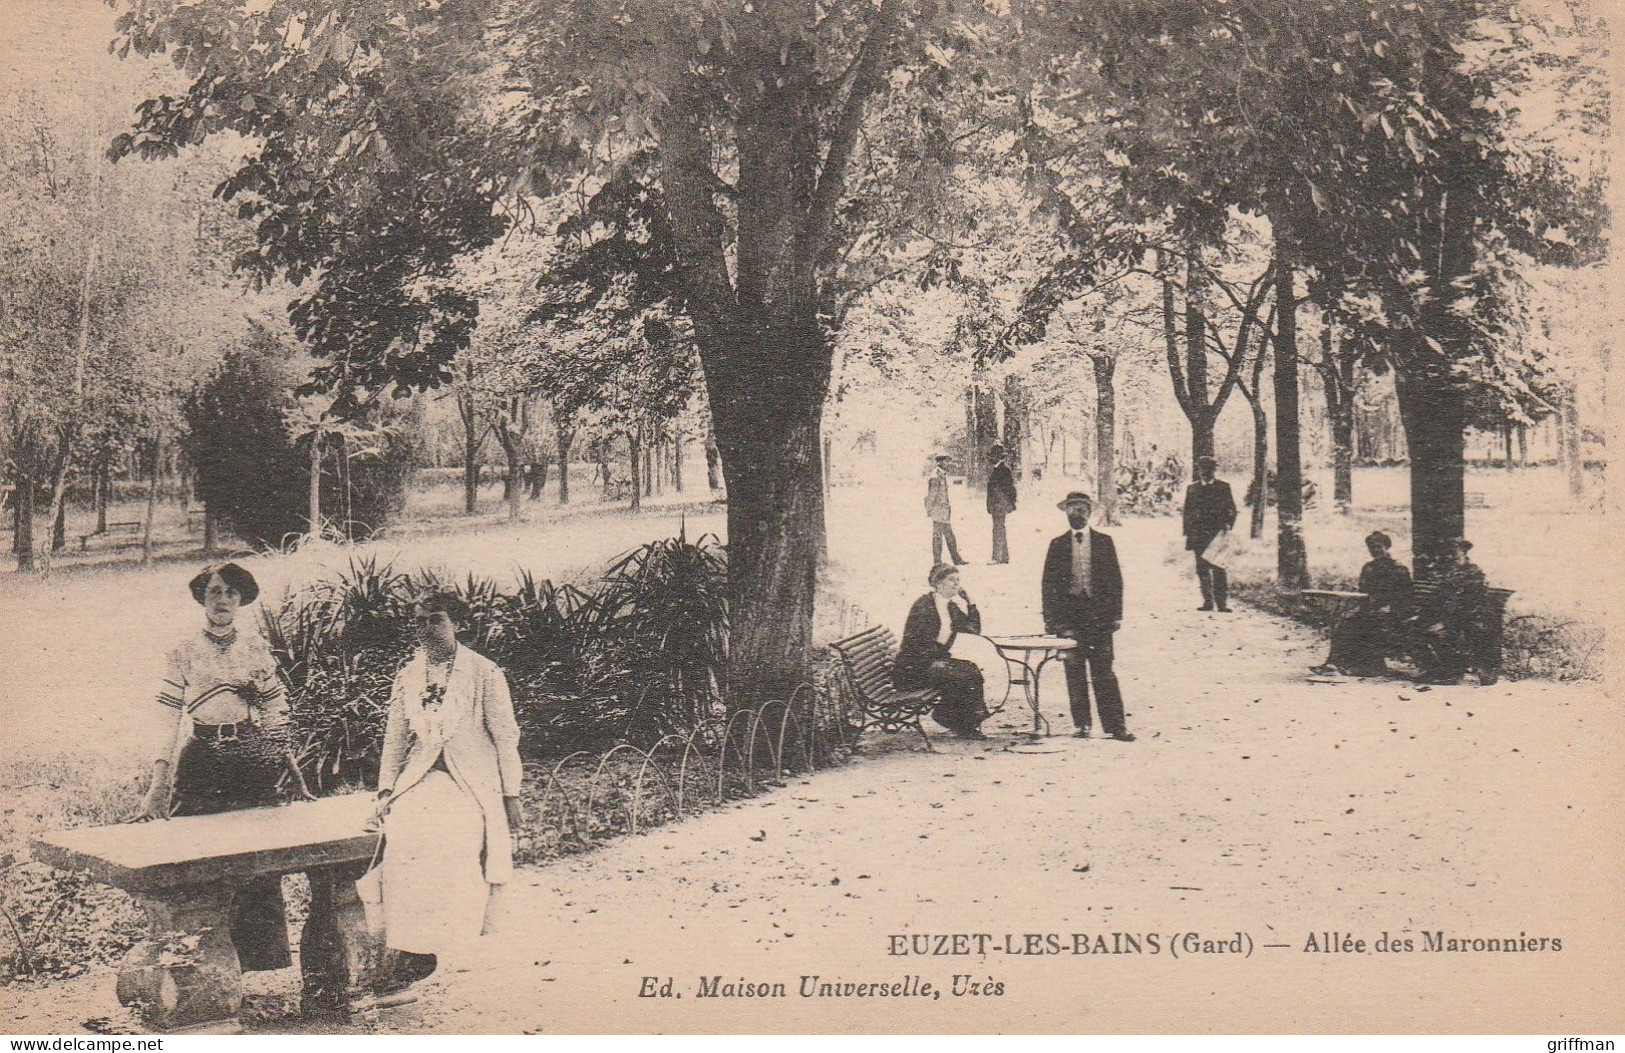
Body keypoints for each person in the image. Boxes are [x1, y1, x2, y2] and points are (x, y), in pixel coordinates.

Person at [134, 562, 313, 972]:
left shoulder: (254, 647)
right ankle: (194, 965)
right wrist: (157, 783)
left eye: (231, 593)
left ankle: (263, 965)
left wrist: (290, 766)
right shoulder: (183, 650)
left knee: (258, 862)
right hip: (201, 761)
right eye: (214, 592)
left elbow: (274, 707)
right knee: (193, 859)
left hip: (251, 760)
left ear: (241, 600)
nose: (222, 601)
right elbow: (168, 717)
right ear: (202, 597)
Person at [371, 590, 524, 991]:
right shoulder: (409, 674)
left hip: (471, 781)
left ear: (458, 624)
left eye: (435, 620)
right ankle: (407, 944)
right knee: (403, 833)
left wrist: (512, 795)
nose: (426, 629)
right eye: (420, 621)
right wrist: (387, 788)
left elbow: (506, 737)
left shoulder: (484, 672)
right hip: (420, 777)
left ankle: (442, 936)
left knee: (450, 835)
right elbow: (395, 736)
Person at [1041, 492, 1134, 742]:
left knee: (1104, 671)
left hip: (1099, 617)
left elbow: (1116, 581)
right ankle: (1081, 724)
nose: (1077, 514)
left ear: (1089, 513)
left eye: (1081, 509)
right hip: (1069, 618)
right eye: (1072, 510)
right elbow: (1047, 585)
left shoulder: (1105, 542)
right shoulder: (1057, 545)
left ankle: (1116, 726)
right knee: (1074, 671)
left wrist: (1115, 615)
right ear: (1066, 513)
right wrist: (1052, 621)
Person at [895, 564, 989, 739]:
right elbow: (913, 643)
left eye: (958, 580)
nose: (956, 584)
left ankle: (964, 723)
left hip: (933, 662)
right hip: (912, 668)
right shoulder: (924, 605)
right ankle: (953, 719)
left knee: (971, 669)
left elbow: (974, 629)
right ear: (938, 583)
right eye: (951, 580)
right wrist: (934, 661)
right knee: (961, 676)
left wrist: (971, 602)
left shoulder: (950, 607)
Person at [1311, 531, 1414, 677]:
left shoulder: (1399, 569)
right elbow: (1364, 593)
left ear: (1387, 546)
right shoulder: (1369, 568)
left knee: (1366, 624)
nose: (1375, 550)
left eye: (1378, 547)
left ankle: (1369, 667)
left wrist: (1390, 608)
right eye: (1371, 547)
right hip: (1372, 611)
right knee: (1345, 624)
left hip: (1393, 613)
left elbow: (1405, 596)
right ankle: (1333, 664)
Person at [1415, 539, 1494, 685]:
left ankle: (1453, 672)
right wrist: (1425, 616)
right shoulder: (1449, 573)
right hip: (1453, 618)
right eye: (1449, 554)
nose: (1452, 557)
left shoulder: (1473, 573)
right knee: (1416, 627)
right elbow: (1437, 599)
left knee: (1440, 631)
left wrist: (1444, 622)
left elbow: (1470, 604)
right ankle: (1438, 670)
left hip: (1469, 619)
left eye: (1455, 553)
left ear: (1464, 552)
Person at [1182, 456, 1238, 612]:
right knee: (1202, 568)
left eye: (1209, 469)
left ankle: (1222, 604)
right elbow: (1187, 512)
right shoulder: (1192, 489)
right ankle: (1207, 602)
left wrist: (1228, 524)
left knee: (1219, 568)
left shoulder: (1223, 487)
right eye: (1202, 469)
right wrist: (1188, 533)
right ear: (1198, 470)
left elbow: (1231, 508)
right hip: (1198, 535)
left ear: (1214, 471)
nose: (1205, 472)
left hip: (1217, 534)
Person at [925, 454, 966, 566]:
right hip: (938, 511)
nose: (948, 464)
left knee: (949, 536)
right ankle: (938, 561)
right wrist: (930, 510)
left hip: (944, 511)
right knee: (938, 537)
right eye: (946, 462)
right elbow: (931, 496)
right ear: (940, 463)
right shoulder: (936, 476)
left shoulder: (942, 475)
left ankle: (956, 559)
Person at [986, 444, 1018, 564]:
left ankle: (997, 557)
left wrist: (1006, 503)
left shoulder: (1003, 470)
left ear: (997, 457)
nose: (990, 459)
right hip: (998, 504)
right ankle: (1004, 557)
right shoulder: (999, 469)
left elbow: (1009, 489)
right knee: (1000, 528)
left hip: (999, 504)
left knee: (998, 529)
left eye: (993, 456)